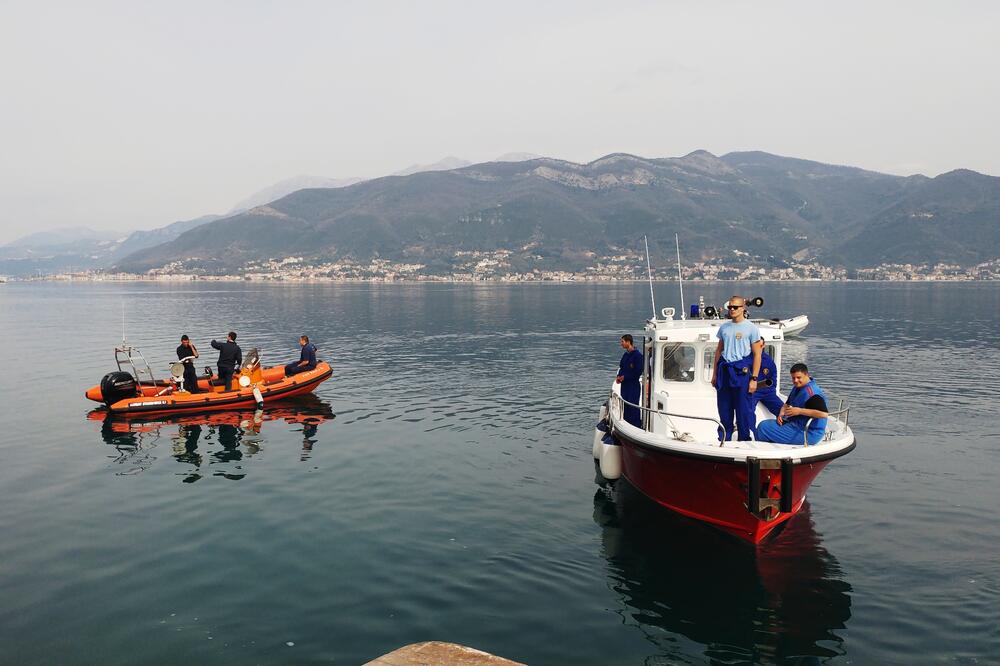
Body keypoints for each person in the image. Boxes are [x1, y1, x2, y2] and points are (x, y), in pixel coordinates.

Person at [710, 296, 763, 441]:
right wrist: (715, 374)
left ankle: (744, 440)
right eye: (730, 307)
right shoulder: (724, 327)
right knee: (724, 409)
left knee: (743, 410)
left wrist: (754, 379)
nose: (732, 310)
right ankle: (724, 440)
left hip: (742, 373)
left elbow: (757, 354)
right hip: (725, 372)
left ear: (743, 308)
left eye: (735, 307)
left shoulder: (751, 328)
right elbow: (718, 351)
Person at [757, 363, 829, 445]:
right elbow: (786, 404)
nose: (795, 380)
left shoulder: (812, 394)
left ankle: (764, 450)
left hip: (809, 432)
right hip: (796, 424)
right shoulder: (798, 387)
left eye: (799, 377)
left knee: (763, 427)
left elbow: (823, 414)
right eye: (793, 378)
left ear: (807, 375)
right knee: (767, 424)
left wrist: (799, 411)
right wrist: (781, 414)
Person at [616, 334, 644, 428]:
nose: (621, 344)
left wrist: (625, 377)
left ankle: (636, 425)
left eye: (622, 341)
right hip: (625, 386)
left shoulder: (638, 356)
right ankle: (626, 424)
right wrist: (618, 376)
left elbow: (638, 372)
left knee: (633, 405)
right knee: (625, 405)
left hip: (633, 385)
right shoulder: (626, 355)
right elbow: (622, 367)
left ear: (628, 342)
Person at [751, 350, 784, 418]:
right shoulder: (746, 359)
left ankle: (790, 423)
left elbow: (773, 378)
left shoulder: (769, 361)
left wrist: (771, 390)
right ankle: (748, 427)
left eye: (760, 345)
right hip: (752, 390)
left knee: (782, 409)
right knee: (748, 409)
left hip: (767, 391)